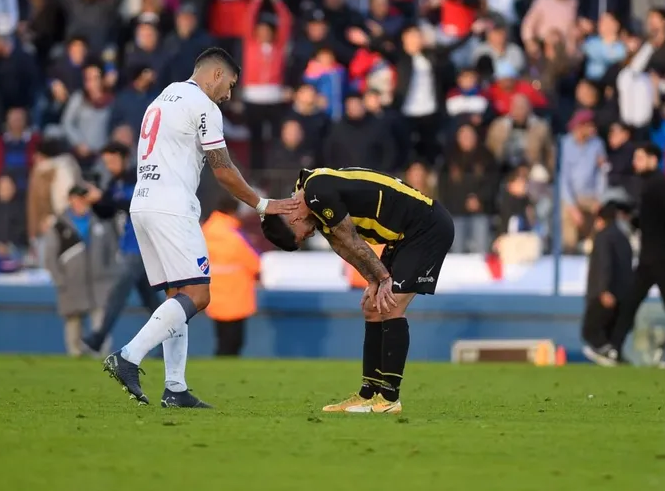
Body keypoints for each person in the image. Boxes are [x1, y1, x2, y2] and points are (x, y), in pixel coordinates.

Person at [105, 47, 297, 408]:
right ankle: (128, 356)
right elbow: (222, 169)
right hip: (172, 207)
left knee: (177, 295)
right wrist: (262, 204)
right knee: (199, 295)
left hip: (142, 202)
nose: (228, 95)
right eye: (230, 86)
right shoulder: (204, 106)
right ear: (216, 75)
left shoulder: (162, 98)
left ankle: (175, 387)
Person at [262, 166, 455, 414]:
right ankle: (368, 393)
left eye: (301, 237)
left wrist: (383, 277)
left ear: (293, 219)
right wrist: (372, 279)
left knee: (391, 305)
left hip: (426, 227)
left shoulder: (316, 192)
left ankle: (389, 398)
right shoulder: (308, 199)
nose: (308, 235)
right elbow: (341, 246)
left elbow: (351, 239)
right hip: (403, 236)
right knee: (372, 307)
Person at [606, 143, 665, 367]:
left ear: (654, 159)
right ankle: (615, 347)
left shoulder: (658, 185)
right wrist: (633, 220)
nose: (636, 162)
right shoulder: (648, 185)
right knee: (635, 303)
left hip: (659, 257)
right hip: (650, 257)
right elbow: (652, 219)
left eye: (640, 157)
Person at [81, 142, 162, 354]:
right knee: (153, 303)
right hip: (132, 245)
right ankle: (169, 343)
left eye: (112, 161)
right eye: (106, 162)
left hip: (141, 245)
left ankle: (99, 336)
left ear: (125, 158)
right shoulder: (116, 182)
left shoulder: (139, 179)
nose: (109, 166)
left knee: (117, 293)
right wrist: (94, 201)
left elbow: (133, 205)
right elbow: (106, 212)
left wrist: (104, 199)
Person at [43, 184, 118, 357]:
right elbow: (50, 257)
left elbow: (112, 249)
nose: (80, 203)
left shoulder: (100, 220)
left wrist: (110, 274)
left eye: (83, 199)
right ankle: (75, 356)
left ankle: (102, 356)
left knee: (101, 322)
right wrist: (60, 279)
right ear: (70, 200)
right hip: (72, 282)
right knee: (73, 323)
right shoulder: (60, 226)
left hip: (99, 281)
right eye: (76, 198)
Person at [203, 196, 261, 357]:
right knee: (234, 341)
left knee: (222, 338)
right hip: (235, 292)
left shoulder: (206, 232)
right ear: (233, 211)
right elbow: (254, 262)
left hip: (214, 291)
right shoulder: (233, 235)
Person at [582, 202, 633, 366]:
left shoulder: (603, 236)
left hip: (603, 292)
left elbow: (605, 264)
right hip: (622, 293)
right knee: (610, 331)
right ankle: (614, 354)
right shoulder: (623, 236)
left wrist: (604, 289)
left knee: (590, 331)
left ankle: (609, 352)